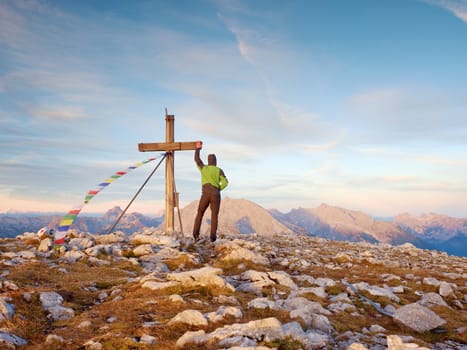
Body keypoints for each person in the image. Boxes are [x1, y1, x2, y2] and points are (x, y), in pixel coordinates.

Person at [192, 142, 228, 242]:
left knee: (200, 213)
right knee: (214, 216)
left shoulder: (204, 168)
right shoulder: (219, 170)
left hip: (205, 194)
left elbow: (197, 159)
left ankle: (195, 235)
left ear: (208, 161)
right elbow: (225, 182)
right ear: (215, 162)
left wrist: (197, 149)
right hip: (215, 195)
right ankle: (212, 238)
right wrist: (219, 188)